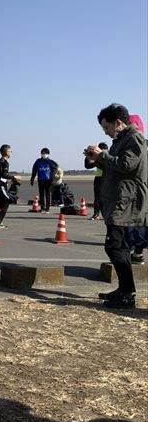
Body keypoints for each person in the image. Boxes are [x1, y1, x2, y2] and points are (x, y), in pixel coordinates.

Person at [84, 104, 147, 309]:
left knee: (115, 246)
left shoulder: (134, 138)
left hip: (126, 204)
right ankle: (125, 290)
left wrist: (102, 155)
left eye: (106, 127)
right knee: (119, 247)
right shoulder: (121, 140)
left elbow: (127, 165)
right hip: (118, 202)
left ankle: (127, 293)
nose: (106, 131)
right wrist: (97, 158)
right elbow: (115, 166)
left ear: (118, 123)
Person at [127, 114, 146, 264]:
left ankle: (128, 254)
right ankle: (138, 254)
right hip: (143, 191)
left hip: (134, 191)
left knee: (131, 223)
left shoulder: (133, 144)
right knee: (142, 223)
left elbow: (126, 165)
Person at [84, 142, 108, 220]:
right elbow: (88, 166)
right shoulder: (98, 158)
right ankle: (96, 214)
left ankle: (106, 214)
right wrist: (88, 157)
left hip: (108, 178)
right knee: (97, 198)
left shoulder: (109, 157)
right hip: (99, 178)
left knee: (107, 198)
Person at [30, 148, 58, 214]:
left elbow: (56, 167)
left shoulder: (50, 161)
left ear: (48, 154)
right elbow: (34, 170)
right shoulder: (38, 161)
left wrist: (53, 177)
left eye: (45, 153)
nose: (44, 154)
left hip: (48, 181)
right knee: (41, 195)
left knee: (48, 195)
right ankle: (42, 208)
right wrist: (32, 179)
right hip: (40, 180)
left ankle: (47, 209)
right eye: (43, 153)